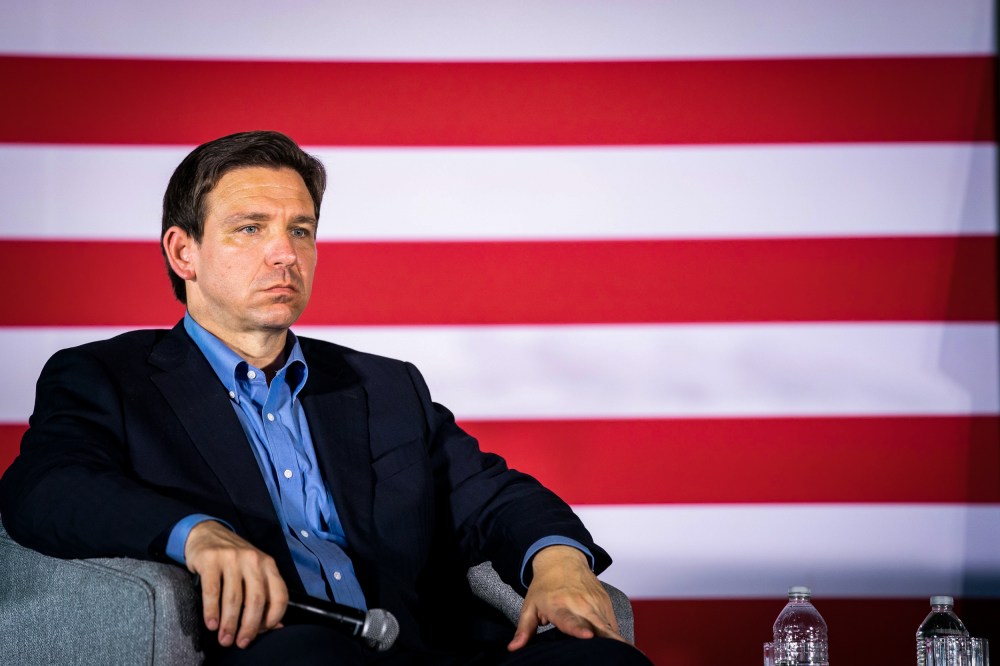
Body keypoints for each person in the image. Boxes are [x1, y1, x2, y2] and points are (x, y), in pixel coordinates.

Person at [0, 131, 651, 665]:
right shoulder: (106, 377)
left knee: (600, 659)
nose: (284, 254)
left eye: (301, 231)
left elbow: (492, 494)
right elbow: (46, 487)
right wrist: (196, 534)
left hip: (419, 650)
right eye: (250, 229)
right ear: (183, 252)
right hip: (270, 650)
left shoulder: (383, 385)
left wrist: (558, 561)